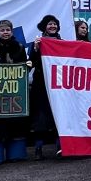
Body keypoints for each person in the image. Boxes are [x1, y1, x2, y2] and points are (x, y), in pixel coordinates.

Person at [0, 20, 30, 165]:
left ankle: (16, 154)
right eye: (2, 30)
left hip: (15, 96)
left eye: (8, 30)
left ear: (12, 31)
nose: (5, 32)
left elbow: (24, 71)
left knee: (16, 124)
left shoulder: (20, 48)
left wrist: (28, 66)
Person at [30, 15, 62, 159]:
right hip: (41, 85)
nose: (52, 26)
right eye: (50, 24)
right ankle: (38, 149)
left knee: (59, 116)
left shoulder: (63, 43)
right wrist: (36, 49)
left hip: (58, 86)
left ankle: (61, 147)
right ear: (44, 27)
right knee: (40, 118)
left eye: (54, 24)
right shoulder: (37, 43)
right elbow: (30, 63)